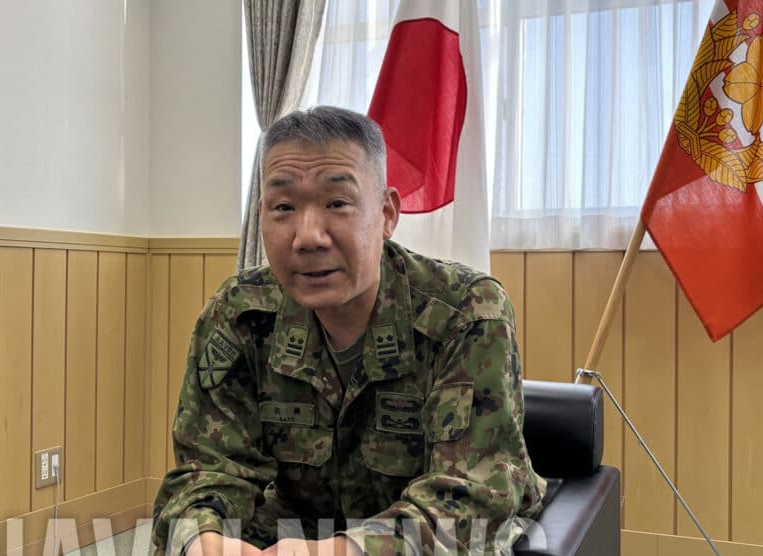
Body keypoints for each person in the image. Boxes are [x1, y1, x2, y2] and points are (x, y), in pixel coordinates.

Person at [151, 106, 545, 556]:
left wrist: (338, 552)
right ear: (262, 216)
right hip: (299, 529)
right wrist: (204, 542)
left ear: (387, 213)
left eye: (337, 203)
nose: (308, 237)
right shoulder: (240, 313)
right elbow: (207, 471)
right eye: (284, 207)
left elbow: (471, 500)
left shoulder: (465, 312)